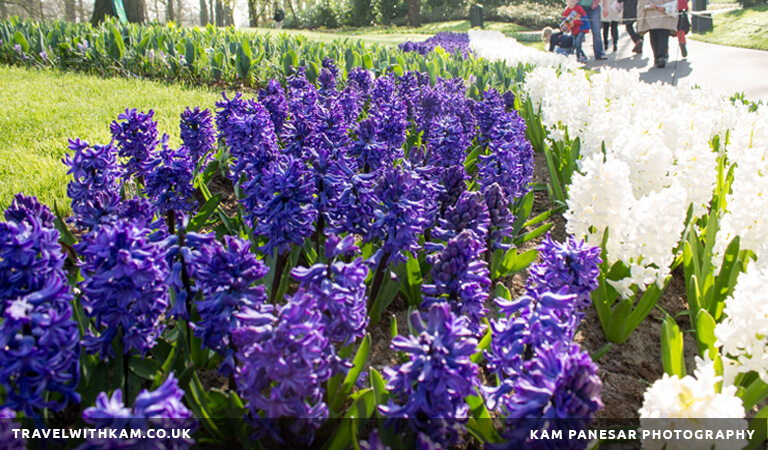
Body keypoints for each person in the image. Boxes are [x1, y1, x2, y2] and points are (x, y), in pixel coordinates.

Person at [637, 0, 677, 68]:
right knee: (657, 35)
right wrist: (649, 4)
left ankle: (659, 57)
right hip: (655, 13)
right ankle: (659, 57)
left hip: (660, 12)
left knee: (659, 35)